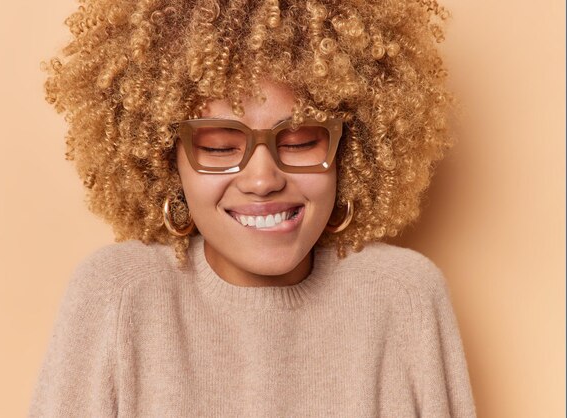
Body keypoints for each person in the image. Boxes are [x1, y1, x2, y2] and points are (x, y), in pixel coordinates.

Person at [29, 0, 476, 416]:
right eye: (220, 146)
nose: (262, 180)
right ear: (166, 161)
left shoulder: (403, 297)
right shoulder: (118, 295)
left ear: (349, 150)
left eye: (301, 141)